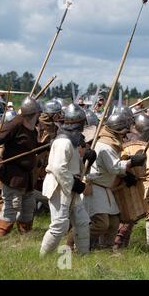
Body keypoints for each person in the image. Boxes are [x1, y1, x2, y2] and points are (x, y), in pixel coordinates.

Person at [84, 110, 146, 249]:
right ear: (119, 130)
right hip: (96, 187)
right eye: (124, 132)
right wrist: (132, 162)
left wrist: (126, 175)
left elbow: (113, 166)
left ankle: (105, 249)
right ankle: (77, 242)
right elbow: (114, 167)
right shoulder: (105, 145)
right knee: (101, 224)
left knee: (113, 222)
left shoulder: (110, 142)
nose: (125, 135)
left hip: (105, 188)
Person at [39, 104, 96, 256]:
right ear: (78, 124)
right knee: (59, 226)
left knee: (82, 221)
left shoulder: (72, 141)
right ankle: (42, 258)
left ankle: (84, 256)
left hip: (69, 186)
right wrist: (79, 186)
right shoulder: (63, 142)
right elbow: (58, 168)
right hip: (60, 186)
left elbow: (73, 164)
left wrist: (86, 157)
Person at [0, 97, 43, 236]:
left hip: (26, 176)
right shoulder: (15, 124)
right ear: (33, 114)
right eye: (38, 113)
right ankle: (2, 237)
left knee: (28, 206)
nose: (39, 116)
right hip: (13, 174)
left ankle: (24, 236)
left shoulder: (32, 128)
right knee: (12, 206)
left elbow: (30, 148)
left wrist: (44, 146)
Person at [114, 112, 149, 249]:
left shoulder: (137, 142)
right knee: (125, 217)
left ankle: (122, 247)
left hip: (134, 183)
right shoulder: (125, 143)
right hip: (120, 184)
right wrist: (126, 175)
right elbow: (116, 164)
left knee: (130, 218)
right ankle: (116, 246)